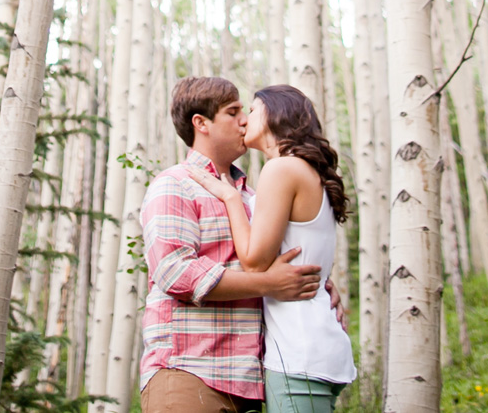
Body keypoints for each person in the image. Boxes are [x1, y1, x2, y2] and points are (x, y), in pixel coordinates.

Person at [138, 77, 331, 413]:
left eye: (246, 110)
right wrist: (268, 284)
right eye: (233, 112)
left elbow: (287, 255)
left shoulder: (253, 197)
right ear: (202, 124)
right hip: (187, 372)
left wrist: (321, 285)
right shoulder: (175, 185)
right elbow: (174, 272)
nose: (245, 119)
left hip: (248, 383)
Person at [185, 84, 356, 413]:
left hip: (299, 353)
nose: (245, 119)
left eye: (252, 109)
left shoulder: (281, 168)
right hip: (315, 345)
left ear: (276, 113)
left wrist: (231, 198)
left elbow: (253, 261)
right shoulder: (304, 171)